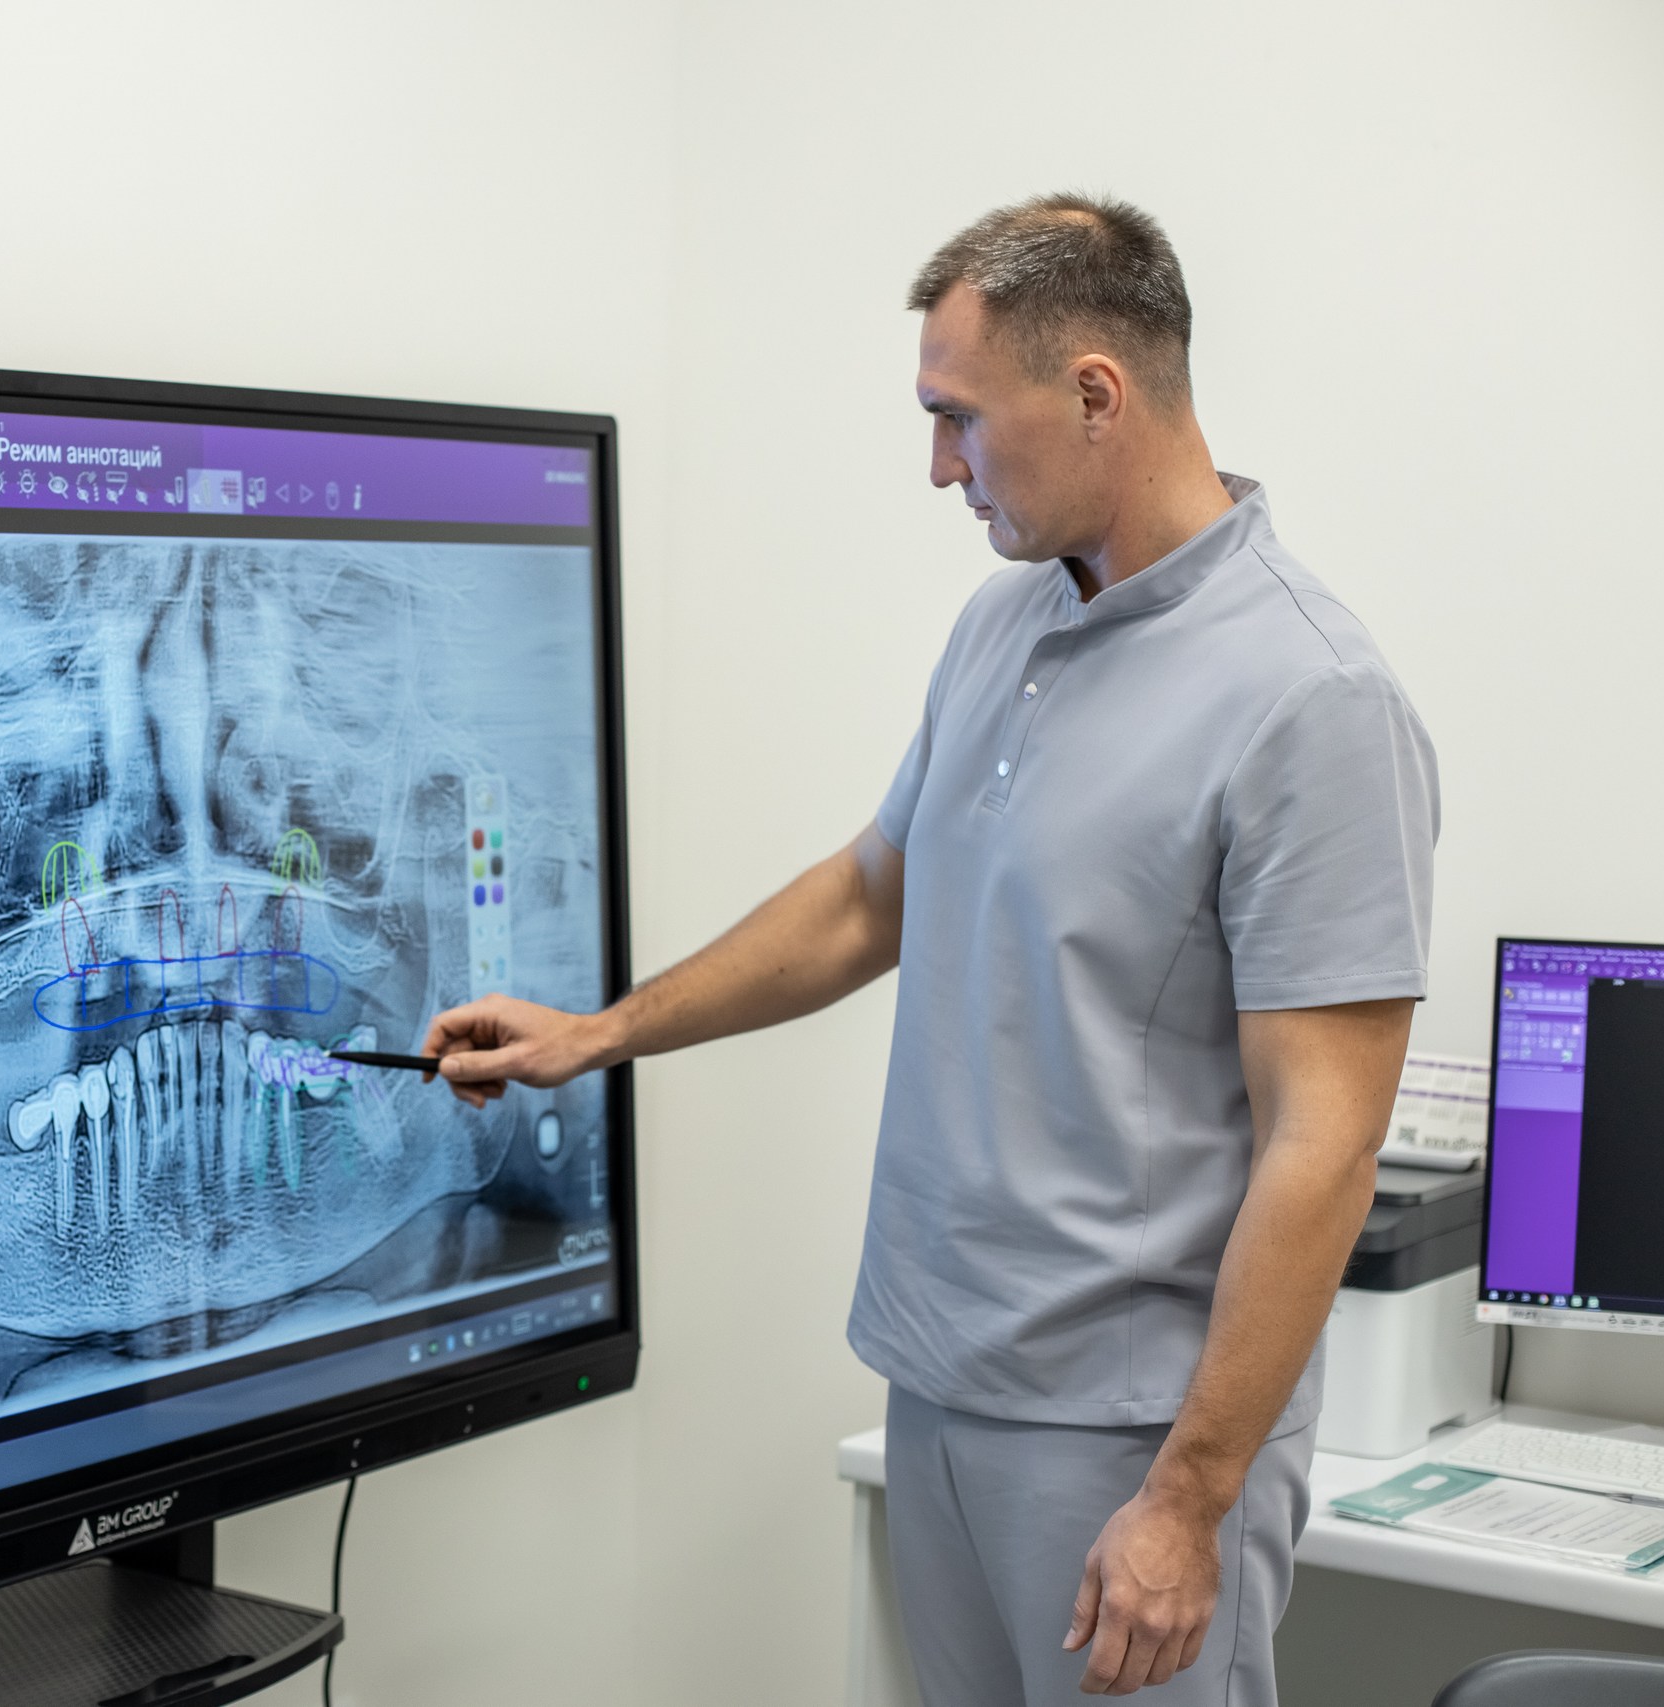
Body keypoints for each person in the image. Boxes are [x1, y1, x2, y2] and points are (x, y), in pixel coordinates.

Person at [422, 193, 1439, 1703]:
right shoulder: (1003, 628)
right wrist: (599, 1033)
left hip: (1132, 1439)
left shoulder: (1314, 700)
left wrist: (1190, 1494)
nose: (941, 467)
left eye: (958, 419)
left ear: (1095, 392)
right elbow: (868, 898)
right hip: (943, 1381)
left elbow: (1327, 1141)